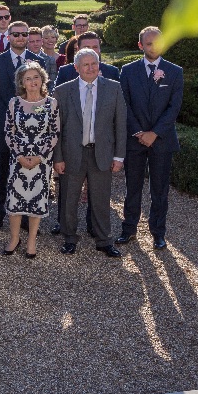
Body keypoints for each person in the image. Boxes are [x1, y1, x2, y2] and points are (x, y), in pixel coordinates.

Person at [53, 49, 128, 257]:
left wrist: (118, 156)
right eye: (85, 65)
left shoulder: (113, 88)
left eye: (94, 63)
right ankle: (69, 238)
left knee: (101, 199)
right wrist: (57, 158)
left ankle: (103, 240)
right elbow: (56, 128)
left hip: (101, 153)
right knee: (69, 198)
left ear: (99, 64)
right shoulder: (62, 91)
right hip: (71, 155)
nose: (90, 68)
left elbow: (120, 124)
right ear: (76, 68)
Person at [118, 27, 183, 250]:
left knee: (160, 189)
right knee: (132, 187)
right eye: (148, 43)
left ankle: (158, 233)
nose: (153, 47)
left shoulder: (175, 72)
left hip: (162, 140)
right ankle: (128, 230)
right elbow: (124, 104)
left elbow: (174, 108)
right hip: (134, 141)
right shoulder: (127, 71)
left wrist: (154, 133)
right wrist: (139, 132)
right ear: (140, 46)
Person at [0, 21, 45, 231]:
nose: (20, 37)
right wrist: (14, 118)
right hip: (2, 128)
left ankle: (27, 218)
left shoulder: (38, 61)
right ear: (8, 37)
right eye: (15, 34)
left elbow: (44, 96)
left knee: (27, 175)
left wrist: (28, 119)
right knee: (0, 175)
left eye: (23, 34)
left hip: (31, 133)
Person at [3, 62, 60, 259]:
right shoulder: (14, 103)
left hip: (41, 160)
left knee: (36, 200)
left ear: (42, 79)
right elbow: (8, 132)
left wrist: (40, 156)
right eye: (28, 78)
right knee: (15, 200)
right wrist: (18, 155)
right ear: (22, 82)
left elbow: (54, 133)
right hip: (17, 159)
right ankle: (14, 238)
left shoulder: (51, 103)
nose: (33, 81)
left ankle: (32, 240)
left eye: (36, 77)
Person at [55, 32, 120, 85]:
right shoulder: (65, 72)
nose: (91, 50)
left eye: (95, 47)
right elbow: (57, 97)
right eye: (87, 47)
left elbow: (118, 98)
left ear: (100, 49)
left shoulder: (112, 72)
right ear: (78, 49)